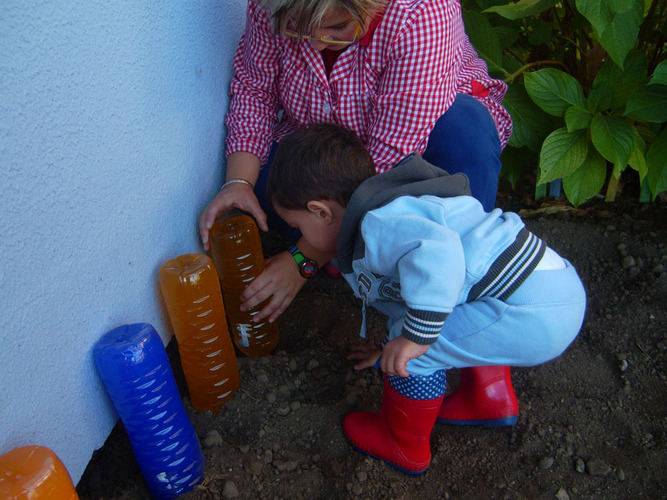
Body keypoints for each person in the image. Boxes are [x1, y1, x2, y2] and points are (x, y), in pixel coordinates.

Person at [265, 123, 586, 475]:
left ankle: (403, 443)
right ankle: (490, 397)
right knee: (455, 313)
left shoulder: (379, 225)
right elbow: (427, 291)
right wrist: (390, 342)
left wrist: (412, 340)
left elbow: (439, 255)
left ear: (321, 212)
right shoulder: (399, 201)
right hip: (545, 286)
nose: (301, 237)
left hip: (528, 312)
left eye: (299, 226)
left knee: (414, 355)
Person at [199, 0, 513, 326]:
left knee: (467, 130)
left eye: (336, 28)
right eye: (296, 26)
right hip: (334, 145)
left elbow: (390, 157)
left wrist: (304, 259)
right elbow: (256, 89)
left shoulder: (423, 11)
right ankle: (352, 247)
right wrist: (239, 183)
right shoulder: (271, 5)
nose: (315, 43)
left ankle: (454, 288)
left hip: (415, 152)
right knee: (269, 186)